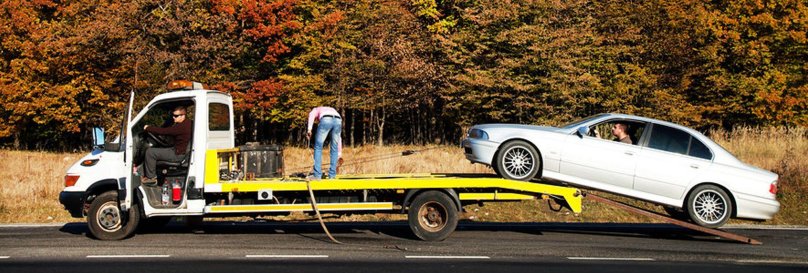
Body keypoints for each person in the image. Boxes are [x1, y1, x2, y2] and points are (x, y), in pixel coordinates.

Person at [141, 105, 193, 184]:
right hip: (179, 151)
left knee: (150, 152)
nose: (173, 117)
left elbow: (164, 131)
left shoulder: (182, 127)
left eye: (176, 116)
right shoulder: (188, 123)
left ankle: (151, 178)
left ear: (183, 116)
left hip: (177, 154)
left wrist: (148, 128)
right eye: (173, 115)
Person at [306, 106, 342, 180]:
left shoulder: (315, 109)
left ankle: (317, 175)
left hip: (326, 119)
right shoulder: (333, 109)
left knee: (318, 147)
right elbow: (339, 139)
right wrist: (339, 153)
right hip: (338, 120)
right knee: (334, 148)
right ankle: (332, 175)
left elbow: (311, 115)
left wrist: (309, 129)